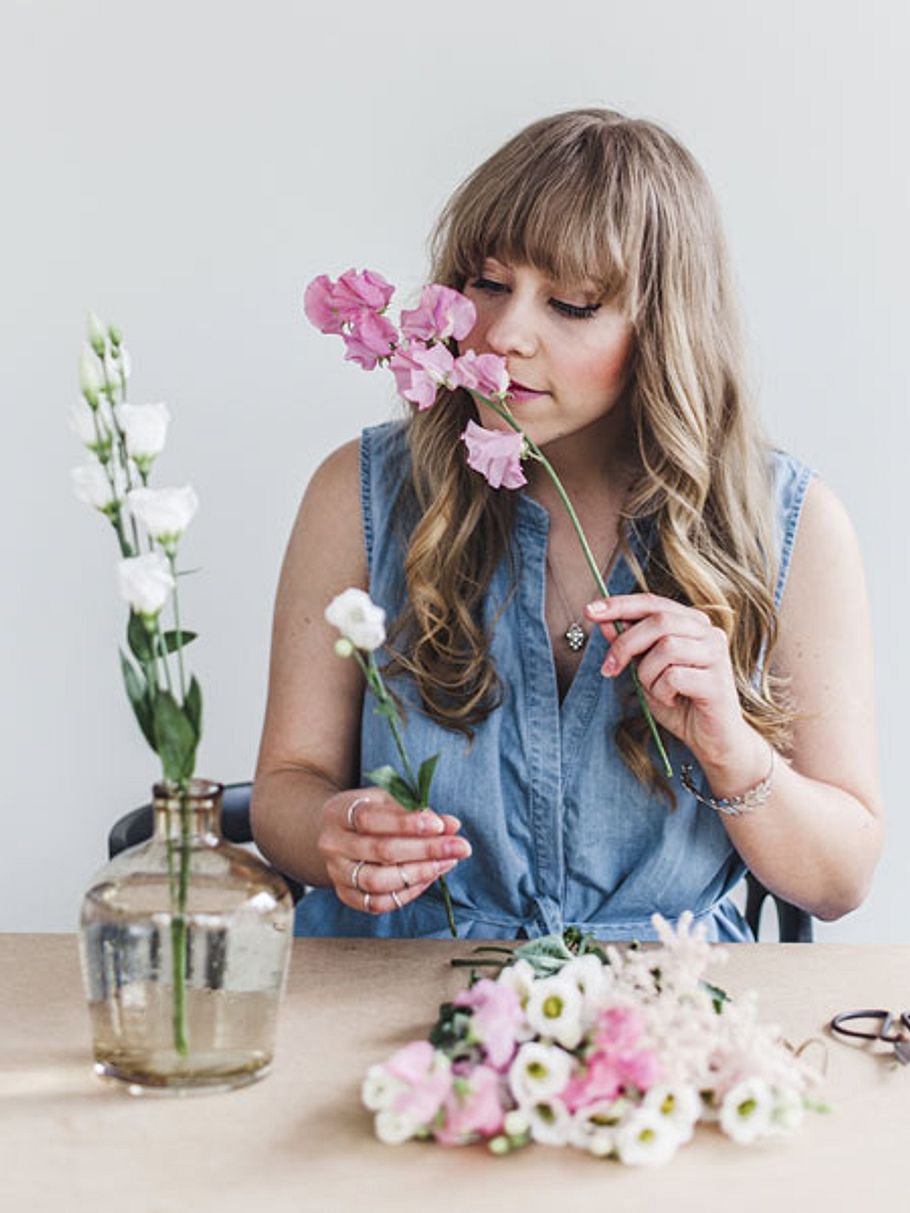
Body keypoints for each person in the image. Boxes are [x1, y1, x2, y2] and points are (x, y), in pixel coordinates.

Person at [251, 108, 882, 941]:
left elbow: (841, 879)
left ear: (662, 328)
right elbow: (286, 788)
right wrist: (332, 831)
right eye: (488, 284)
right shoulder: (359, 493)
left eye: (574, 304)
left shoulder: (791, 526)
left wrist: (736, 751)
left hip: (659, 1017)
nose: (507, 335)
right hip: (388, 1002)